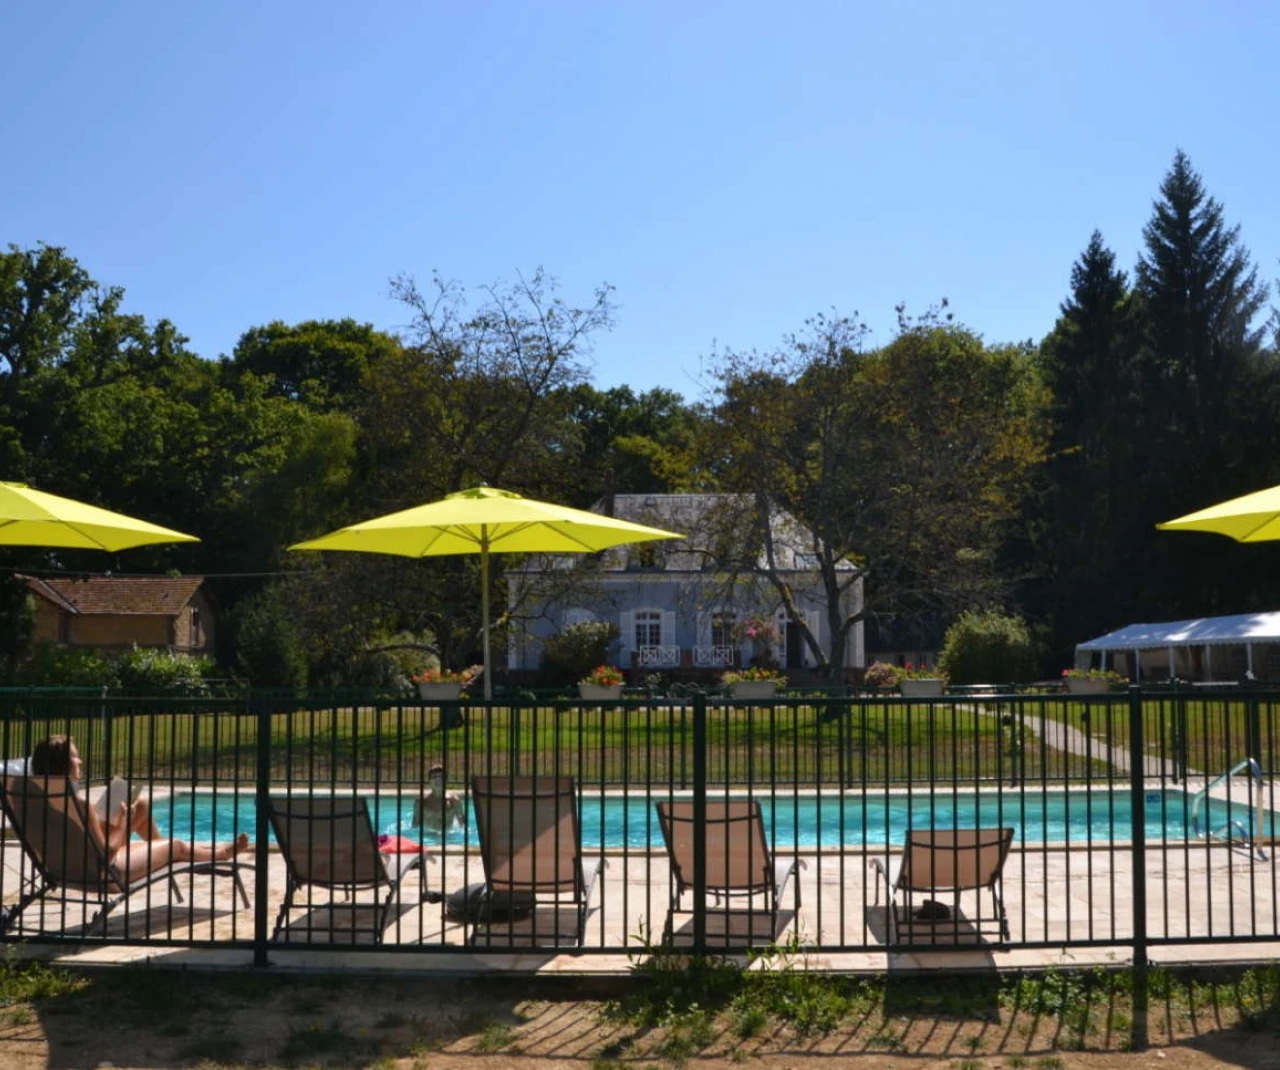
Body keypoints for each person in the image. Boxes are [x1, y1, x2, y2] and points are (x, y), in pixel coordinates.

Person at [29, 735, 250, 883]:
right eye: (74, 756)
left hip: (67, 867)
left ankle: (172, 856)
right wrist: (123, 820)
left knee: (141, 806)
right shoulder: (80, 806)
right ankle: (220, 854)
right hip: (105, 872)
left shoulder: (37, 802)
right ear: (62, 764)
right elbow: (107, 853)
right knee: (176, 845)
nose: (80, 761)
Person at [411, 764, 463, 833]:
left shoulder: (454, 801)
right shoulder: (420, 802)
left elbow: (462, 825)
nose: (438, 779)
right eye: (434, 777)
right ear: (429, 781)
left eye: (441, 777)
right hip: (427, 838)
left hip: (448, 838)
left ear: (446, 780)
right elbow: (414, 825)